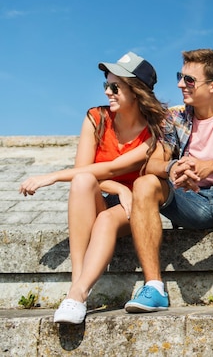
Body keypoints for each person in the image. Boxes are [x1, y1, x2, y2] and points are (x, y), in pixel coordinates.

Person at [19, 51, 167, 324]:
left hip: (136, 206)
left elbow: (113, 167)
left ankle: (77, 294)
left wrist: (52, 176)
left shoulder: (155, 131)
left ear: (136, 91)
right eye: (106, 86)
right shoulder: (96, 118)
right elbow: (87, 172)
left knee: (106, 219)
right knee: (83, 180)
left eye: (115, 87)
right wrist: (120, 189)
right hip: (110, 195)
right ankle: (76, 291)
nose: (108, 92)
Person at [124, 48, 213, 314]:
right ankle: (153, 287)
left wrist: (210, 166)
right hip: (189, 200)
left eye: (189, 80)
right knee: (144, 184)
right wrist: (174, 168)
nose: (180, 84)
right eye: (180, 76)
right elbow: (152, 163)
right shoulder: (174, 117)